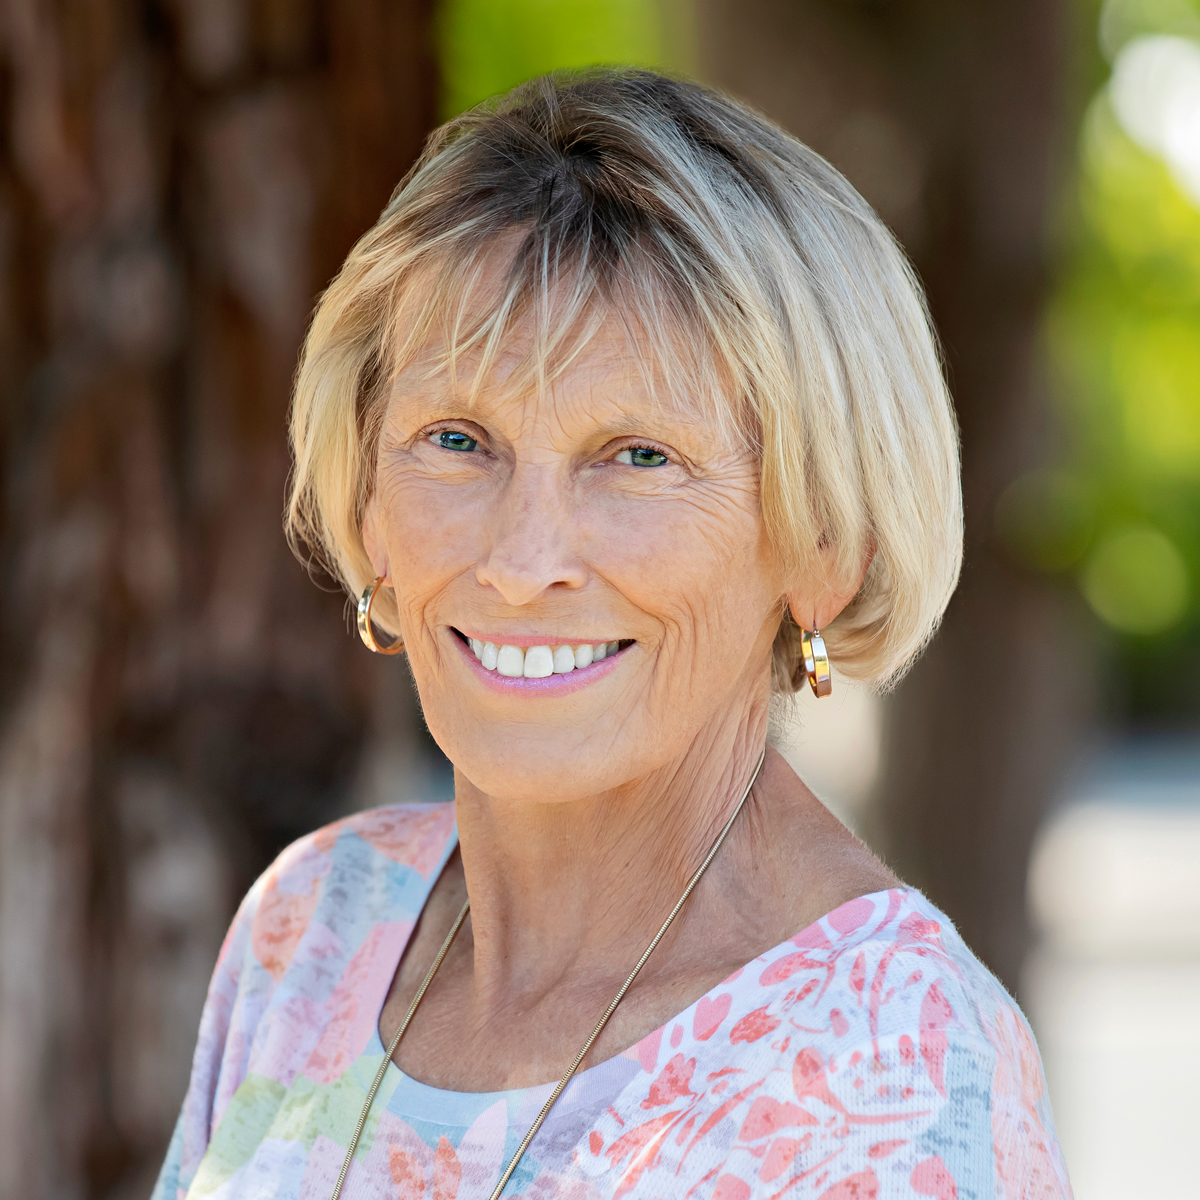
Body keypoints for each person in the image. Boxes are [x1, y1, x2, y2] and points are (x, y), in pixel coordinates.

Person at [153, 71, 1072, 1200]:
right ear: (365, 507)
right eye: (455, 439)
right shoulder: (317, 922)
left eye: (639, 457)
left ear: (825, 546)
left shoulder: (892, 1066)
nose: (522, 562)